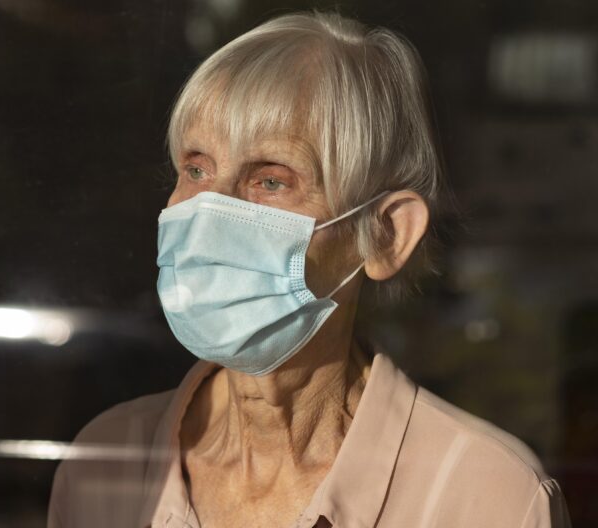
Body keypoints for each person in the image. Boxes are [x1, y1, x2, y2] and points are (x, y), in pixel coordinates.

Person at [48, 11, 571, 528]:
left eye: (271, 181)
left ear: (386, 235)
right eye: (197, 168)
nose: (209, 212)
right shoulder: (105, 464)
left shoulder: (488, 496)